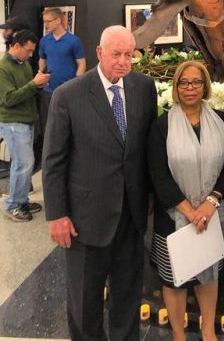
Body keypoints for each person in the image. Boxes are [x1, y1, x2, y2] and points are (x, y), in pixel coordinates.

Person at [42, 25, 157, 340]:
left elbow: (145, 148)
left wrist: (148, 193)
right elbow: (53, 161)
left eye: (129, 55)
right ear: (99, 53)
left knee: (128, 298)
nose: (123, 61)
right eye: (116, 54)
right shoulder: (69, 95)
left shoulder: (144, 88)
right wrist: (56, 214)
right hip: (85, 219)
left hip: (131, 217)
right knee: (84, 302)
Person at [148, 60, 224, 341]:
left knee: (208, 275)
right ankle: (178, 333)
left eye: (196, 82)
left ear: (205, 85)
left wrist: (210, 203)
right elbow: (158, 174)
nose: (190, 88)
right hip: (174, 217)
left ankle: (208, 329)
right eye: (183, 83)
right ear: (175, 87)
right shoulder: (161, 126)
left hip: (211, 214)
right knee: (174, 279)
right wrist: (189, 210)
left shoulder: (221, 120)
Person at [0, 30, 50, 221]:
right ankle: (13, 205)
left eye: (32, 51)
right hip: (12, 122)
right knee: (24, 164)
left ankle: (20, 200)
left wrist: (38, 85)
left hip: (26, 120)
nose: (31, 55)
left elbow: (26, 91)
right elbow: (9, 98)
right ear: (16, 46)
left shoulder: (24, 65)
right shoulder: (3, 68)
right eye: (28, 51)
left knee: (24, 164)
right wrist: (33, 85)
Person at [38, 7, 86, 133]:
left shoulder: (74, 41)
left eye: (48, 21)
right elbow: (42, 59)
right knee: (49, 127)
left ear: (58, 20)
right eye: (44, 21)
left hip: (68, 90)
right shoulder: (44, 41)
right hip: (48, 91)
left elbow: (81, 63)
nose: (46, 24)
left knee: (69, 125)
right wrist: (40, 73)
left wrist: (76, 82)